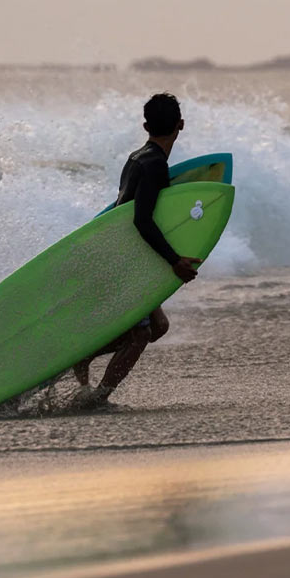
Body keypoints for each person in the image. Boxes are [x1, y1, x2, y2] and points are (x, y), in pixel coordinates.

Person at [70, 93, 204, 408]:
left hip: (120, 250)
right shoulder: (155, 164)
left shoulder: (137, 156)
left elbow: (122, 210)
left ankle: (85, 355)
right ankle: (97, 398)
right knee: (141, 335)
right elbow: (141, 220)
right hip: (127, 257)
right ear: (181, 125)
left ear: (145, 125)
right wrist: (175, 263)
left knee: (159, 326)